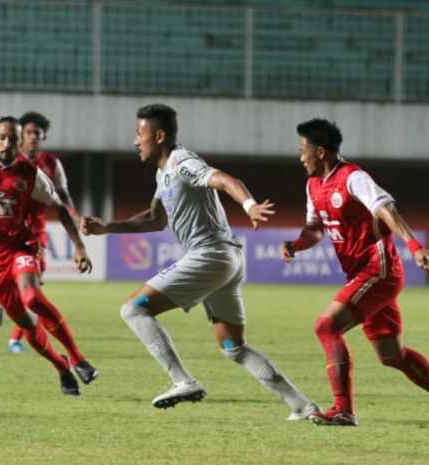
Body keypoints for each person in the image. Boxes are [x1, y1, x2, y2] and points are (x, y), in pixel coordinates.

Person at [80, 104, 319, 417]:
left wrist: (248, 205)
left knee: (133, 309)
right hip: (227, 258)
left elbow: (224, 180)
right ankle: (302, 405)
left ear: (159, 135)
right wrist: (108, 228)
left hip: (210, 254)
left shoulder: (182, 162)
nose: (136, 141)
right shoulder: (163, 172)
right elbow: (155, 218)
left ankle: (182, 380)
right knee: (234, 347)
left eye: (140, 134)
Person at [280, 118, 429, 426]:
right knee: (391, 355)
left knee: (326, 326)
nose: (301, 158)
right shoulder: (313, 185)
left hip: (378, 271)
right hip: (360, 276)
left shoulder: (353, 178)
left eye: (304, 151)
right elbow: (315, 230)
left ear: (322, 151)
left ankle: (343, 409)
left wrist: (413, 246)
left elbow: (386, 210)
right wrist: (296, 244)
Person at [0, 116, 98, 395]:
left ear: (20, 141)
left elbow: (59, 206)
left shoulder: (30, 173)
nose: (7, 142)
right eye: (2, 137)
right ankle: (61, 367)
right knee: (24, 322)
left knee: (32, 297)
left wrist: (79, 246)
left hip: (21, 248)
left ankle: (78, 358)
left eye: (13, 138)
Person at [6, 111, 81, 355]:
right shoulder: (10, 160)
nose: (32, 138)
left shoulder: (51, 163)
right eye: (28, 133)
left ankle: (16, 338)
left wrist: (75, 215)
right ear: (21, 137)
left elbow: (63, 193)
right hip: (7, 228)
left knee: (33, 284)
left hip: (35, 231)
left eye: (37, 134)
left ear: (43, 137)